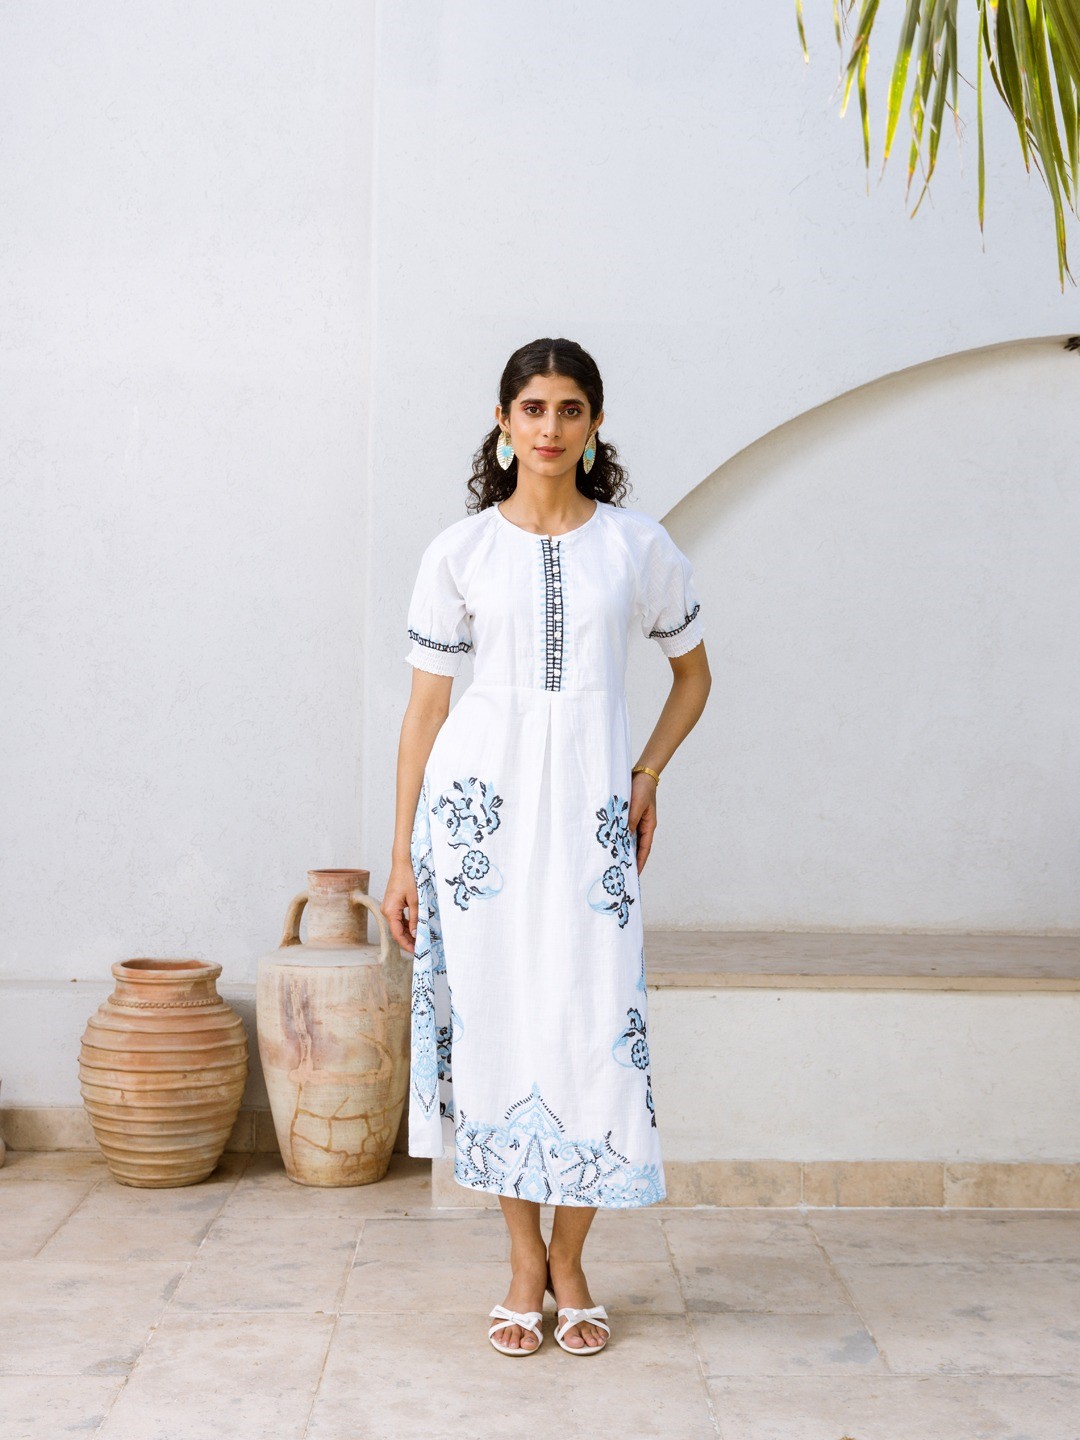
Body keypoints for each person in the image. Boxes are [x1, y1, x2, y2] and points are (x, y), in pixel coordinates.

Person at [382, 337, 711, 1356]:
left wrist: (647, 773)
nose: (550, 427)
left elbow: (694, 678)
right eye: (533, 408)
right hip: (477, 826)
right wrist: (400, 856)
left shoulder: (637, 547)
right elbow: (425, 712)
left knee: (591, 1033)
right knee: (499, 1033)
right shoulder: (460, 552)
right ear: (503, 421)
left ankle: (574, 1259)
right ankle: (527, 1264)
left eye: (570, 409)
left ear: (595, 424)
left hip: (587, 826)